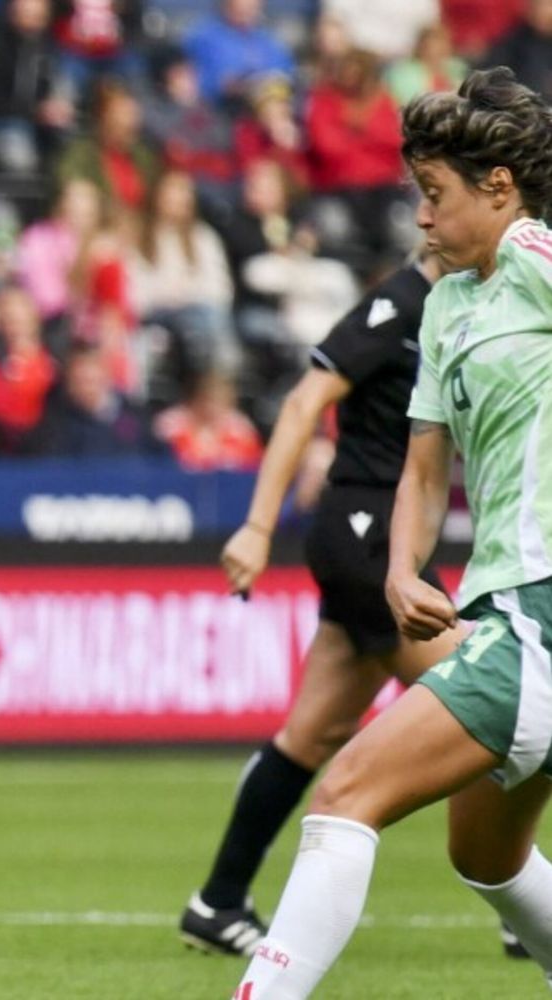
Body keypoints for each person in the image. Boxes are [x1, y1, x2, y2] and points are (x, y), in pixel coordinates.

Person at [231, 67, 552, 998]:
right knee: (486, 853)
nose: (419, 216)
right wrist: (402, 572)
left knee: (344, 794)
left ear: (499, 188)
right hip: (505, 610)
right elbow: (424, 464)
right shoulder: (448, 305)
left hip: (540, 614)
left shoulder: (533, 254)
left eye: (435, 194)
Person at [178, 252, 462, 956]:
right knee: (488, 704)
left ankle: (217, 902)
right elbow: (306, 401)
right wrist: (258, 525)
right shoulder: (396, 306)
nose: (430, 218)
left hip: (385, 538)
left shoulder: (463, 307)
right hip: (366, 538)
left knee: (309, 735)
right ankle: (524, 901)